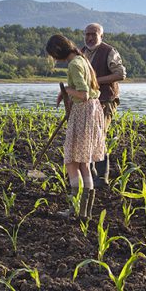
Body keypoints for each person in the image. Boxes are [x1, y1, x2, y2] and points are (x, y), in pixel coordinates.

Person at [45, 34, 105, 219]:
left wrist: (66, 91)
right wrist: (66, 94)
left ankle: (75, 209)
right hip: (92, 111)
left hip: (83, 112)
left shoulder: (74, 64)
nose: (54, 59)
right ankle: (84, 212)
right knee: (84, 164)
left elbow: (83, 94)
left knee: (72, 162)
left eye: (53, 55)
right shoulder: (82, 59)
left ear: (57, 51)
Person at [81, 23, 126, 188]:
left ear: (101, 36)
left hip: (106, 99)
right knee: (87, 136)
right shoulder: (82, 52)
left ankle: (102, 177)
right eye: (87, 34)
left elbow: (120, 74)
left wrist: (96, 82)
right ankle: (91, 174)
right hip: (87, 100)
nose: (90, 38)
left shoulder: (109, 52)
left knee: (99, 134)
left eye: (93, 34)